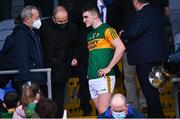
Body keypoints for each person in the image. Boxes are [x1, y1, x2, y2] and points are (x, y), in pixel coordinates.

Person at [119, 0, 169, 117]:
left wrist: (122, 33)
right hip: (157, 59)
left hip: (145, 61)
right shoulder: (157, 13)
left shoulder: (142, 14)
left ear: (136, 2)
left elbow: (133, 33)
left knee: (150, 94)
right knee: (153, 93)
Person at [82, 4, 125, 114]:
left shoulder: (107, 29)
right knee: (103, 114)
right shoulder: (89, 35)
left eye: (86, 17)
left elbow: (121, 47)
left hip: (104, 77)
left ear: (95, 15)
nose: (83, 20)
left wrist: (109, 67)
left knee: (104, 111)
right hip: (92, 78)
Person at [38, 6, 79, 117]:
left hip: (62, 70)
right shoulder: (43, 26)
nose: (63, 23)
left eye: (66, 20)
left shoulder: (72, 27)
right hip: (44, 69)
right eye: (60, 21)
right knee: (44, 102)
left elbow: (77, 45)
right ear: (53, 18)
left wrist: (75, 57)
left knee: (59, 102)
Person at [11, 5, 46, 95]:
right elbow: (22, 58)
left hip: (36, 78)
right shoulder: (21, 34)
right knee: (29, 107)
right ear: (27, 19)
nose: (39, 20)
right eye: (37, 17)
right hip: (29, 80)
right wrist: (27, 82)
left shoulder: (33, 33)